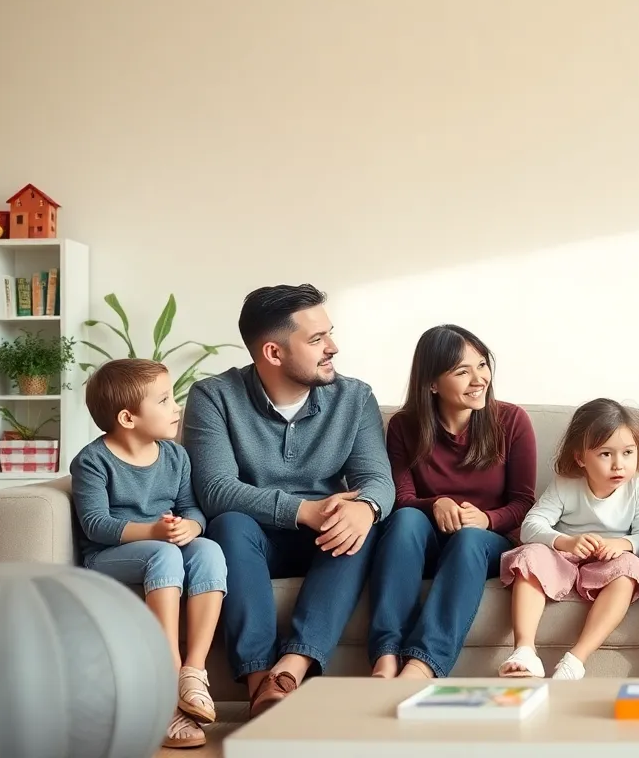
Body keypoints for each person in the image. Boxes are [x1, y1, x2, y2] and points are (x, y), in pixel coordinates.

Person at [185, 284, 395, 718]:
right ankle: (260, 683)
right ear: (273, 353)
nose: (333, 347)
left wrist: (365, 506)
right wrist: (303, 510)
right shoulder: (213, 397)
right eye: (317, 339)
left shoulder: (354, 398)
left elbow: (377, 479)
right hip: (255, 539)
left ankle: (289, 671)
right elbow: (216, 489)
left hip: (326, 539)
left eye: (329, 334)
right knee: (229, 523)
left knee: (360, 524)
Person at [71, 359, 227, 749]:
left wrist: (191, 527)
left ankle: (193, 672)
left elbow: (191, 509)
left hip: (162, 546)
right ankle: (167, 683)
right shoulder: (93, 461)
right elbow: (95, 524)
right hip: (109, 557)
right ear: (128, 418)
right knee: (165, 555)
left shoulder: (175, 457)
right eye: (164, 400)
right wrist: (154, 532)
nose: (176, 407)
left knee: (208, 550)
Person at [367, 324, 537, 679]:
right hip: (426, 543)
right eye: (462, 371)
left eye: (482, 365)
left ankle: (421, 666)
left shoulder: (512, 421)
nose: (479, 379)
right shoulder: (404, 427)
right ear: (432, 383)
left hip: (484, 545)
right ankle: (386, 657)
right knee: (405, 520)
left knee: (469, 538)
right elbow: (401, 499)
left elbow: (523, 503)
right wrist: (435, 504)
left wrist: (487, 520)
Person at [498, 398, 639, 680]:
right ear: (580, 458)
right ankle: (524, 650)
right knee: (530, 555)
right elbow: (531, 526)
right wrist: (567, 542)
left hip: (610, 562)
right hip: (564, 558)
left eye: (627, 452)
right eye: (605, 454)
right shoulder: (566, 482)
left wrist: (621, 544)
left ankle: (575, 660)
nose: (619, 464)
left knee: (631, 568)